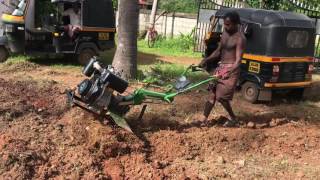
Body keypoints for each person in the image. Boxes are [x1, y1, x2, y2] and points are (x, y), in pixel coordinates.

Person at [199, 11, 246, 127]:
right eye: (225, 24)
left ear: (236, 24)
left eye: (228, 24)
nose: (225, 26)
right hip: (221, 67)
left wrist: (228, 72)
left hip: (231, 69)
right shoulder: (225, 33)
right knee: (212, 94)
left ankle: (233, 119)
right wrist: (206, 60)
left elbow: (238, 61)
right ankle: (203, 119)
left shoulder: (240, 38)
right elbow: (218, 51)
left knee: (221, 97)